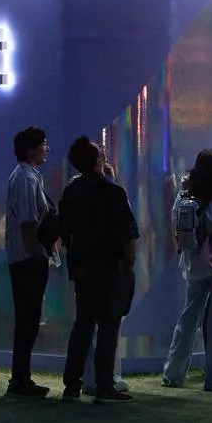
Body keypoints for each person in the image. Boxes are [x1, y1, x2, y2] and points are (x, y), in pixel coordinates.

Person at [58, 136, 140, 405]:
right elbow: (128, 234)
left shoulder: (70, 193)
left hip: (83, 271)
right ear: (98, 160)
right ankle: (105, 386)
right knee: (108, 328)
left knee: (82, 325)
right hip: (111, 270)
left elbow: (63, 232)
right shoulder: (113, 192)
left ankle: (72, 385)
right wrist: (129, 262)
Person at [161, 150, 212, 392]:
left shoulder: (184, 197)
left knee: (188, 318)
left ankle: (173, 374)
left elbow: (176, 226)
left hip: (193, 263)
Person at [4, 125, 53, 399]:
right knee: (28, 319)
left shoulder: (27, 176)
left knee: (28, 319)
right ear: (32, 148)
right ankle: (20, 379)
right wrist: (37, 253)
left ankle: (22, 376)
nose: (47, 149)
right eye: (44, 144)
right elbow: (28, 221)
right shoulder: (26, 178)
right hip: (26, 258)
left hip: (23, 256)